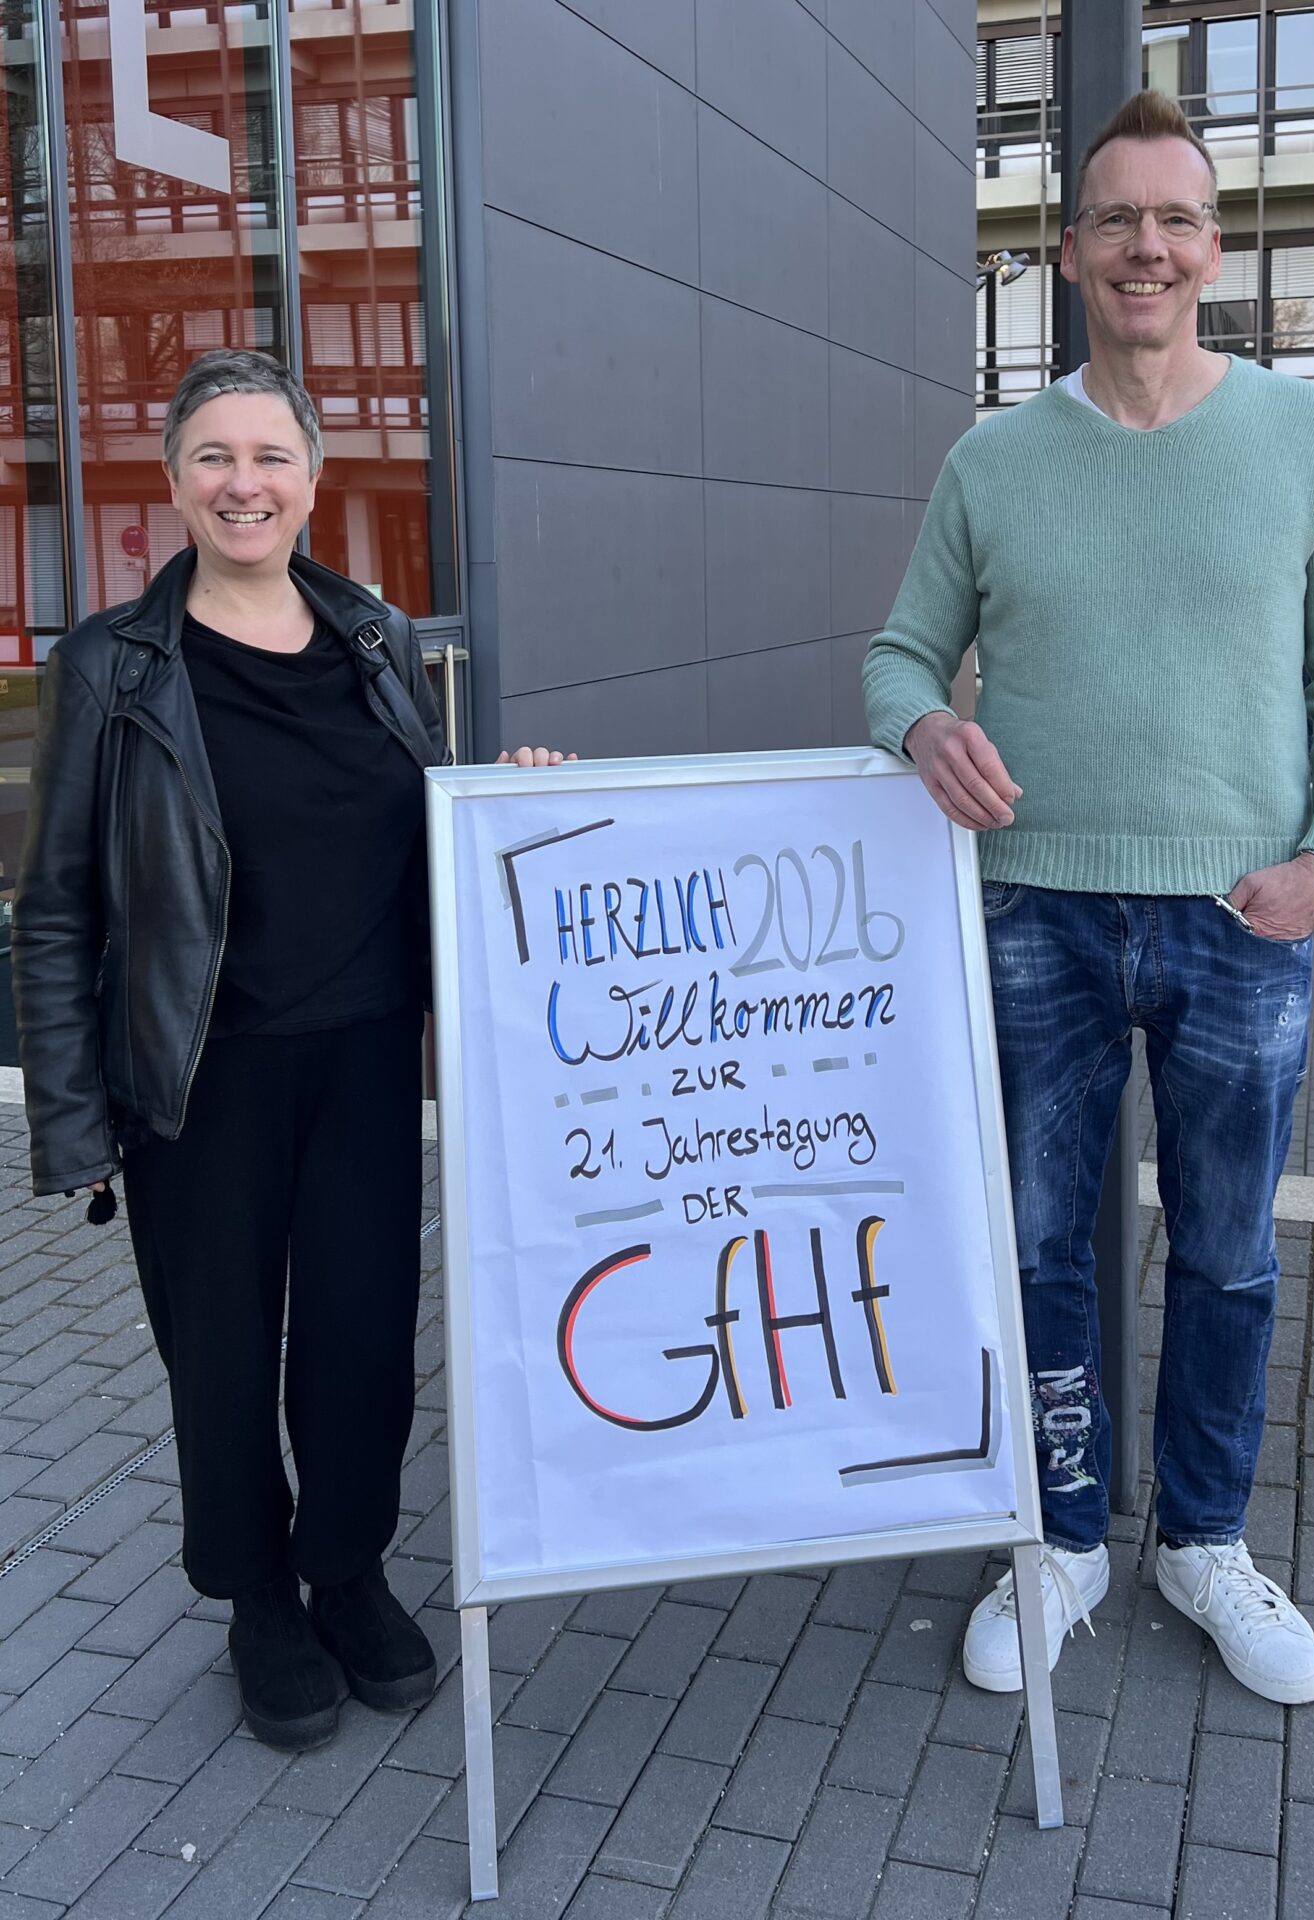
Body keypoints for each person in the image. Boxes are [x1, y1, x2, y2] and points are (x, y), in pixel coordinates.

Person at [864, 92, 1314, 1707]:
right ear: (1069, 250)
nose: (1145, 247)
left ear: (1214, 247)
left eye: (1175, 219)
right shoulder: (994, 461)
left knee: (1229, 1251)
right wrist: (925, 728)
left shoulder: (1305, 439)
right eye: (1116, 219)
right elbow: (900, 655)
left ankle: (1205, 1540)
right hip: (1034, 912)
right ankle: (1060, 1536)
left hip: (1243, 917)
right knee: (1037, 1249)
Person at [12, 350, 570, 1752]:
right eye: (214, 456)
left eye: (270, 456)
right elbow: (58, 905)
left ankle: (348, 1567)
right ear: (174, 481)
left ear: (312, 479)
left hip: (371, 1061)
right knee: (220, 1356)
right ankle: (257, 1595)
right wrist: (74, 1127)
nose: (243, 483)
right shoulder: (112, 666)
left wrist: (508, 807)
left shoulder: (375, 636)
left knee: (361, 1341)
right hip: (201, 1078)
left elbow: (418, 822)